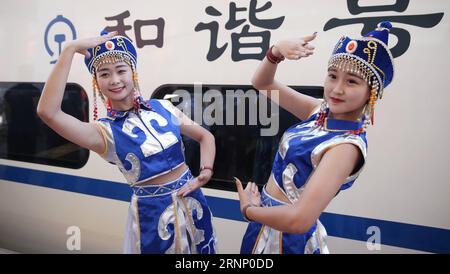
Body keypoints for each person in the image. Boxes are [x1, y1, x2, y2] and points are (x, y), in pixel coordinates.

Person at [37, 30, 217, 254]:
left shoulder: (163, 107)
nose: (115, 80)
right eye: (104, 74)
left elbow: (205, 137)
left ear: (133, 71)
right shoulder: (103, 132)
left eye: (121, 70)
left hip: (194, 203)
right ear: (96, 82)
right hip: (153, 218)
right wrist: (69, 49)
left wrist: (206, 171)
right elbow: (48, 112)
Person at [235, 21, 395, 254]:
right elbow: (263, 83)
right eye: (333, 76)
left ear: (372, 92)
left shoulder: (346, 147)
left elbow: (299, 219)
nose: (336, 89)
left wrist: (248, 209)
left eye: (352, 81)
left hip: (289, 241)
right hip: (266, 226)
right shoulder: (319, 111)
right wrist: (276, 51)